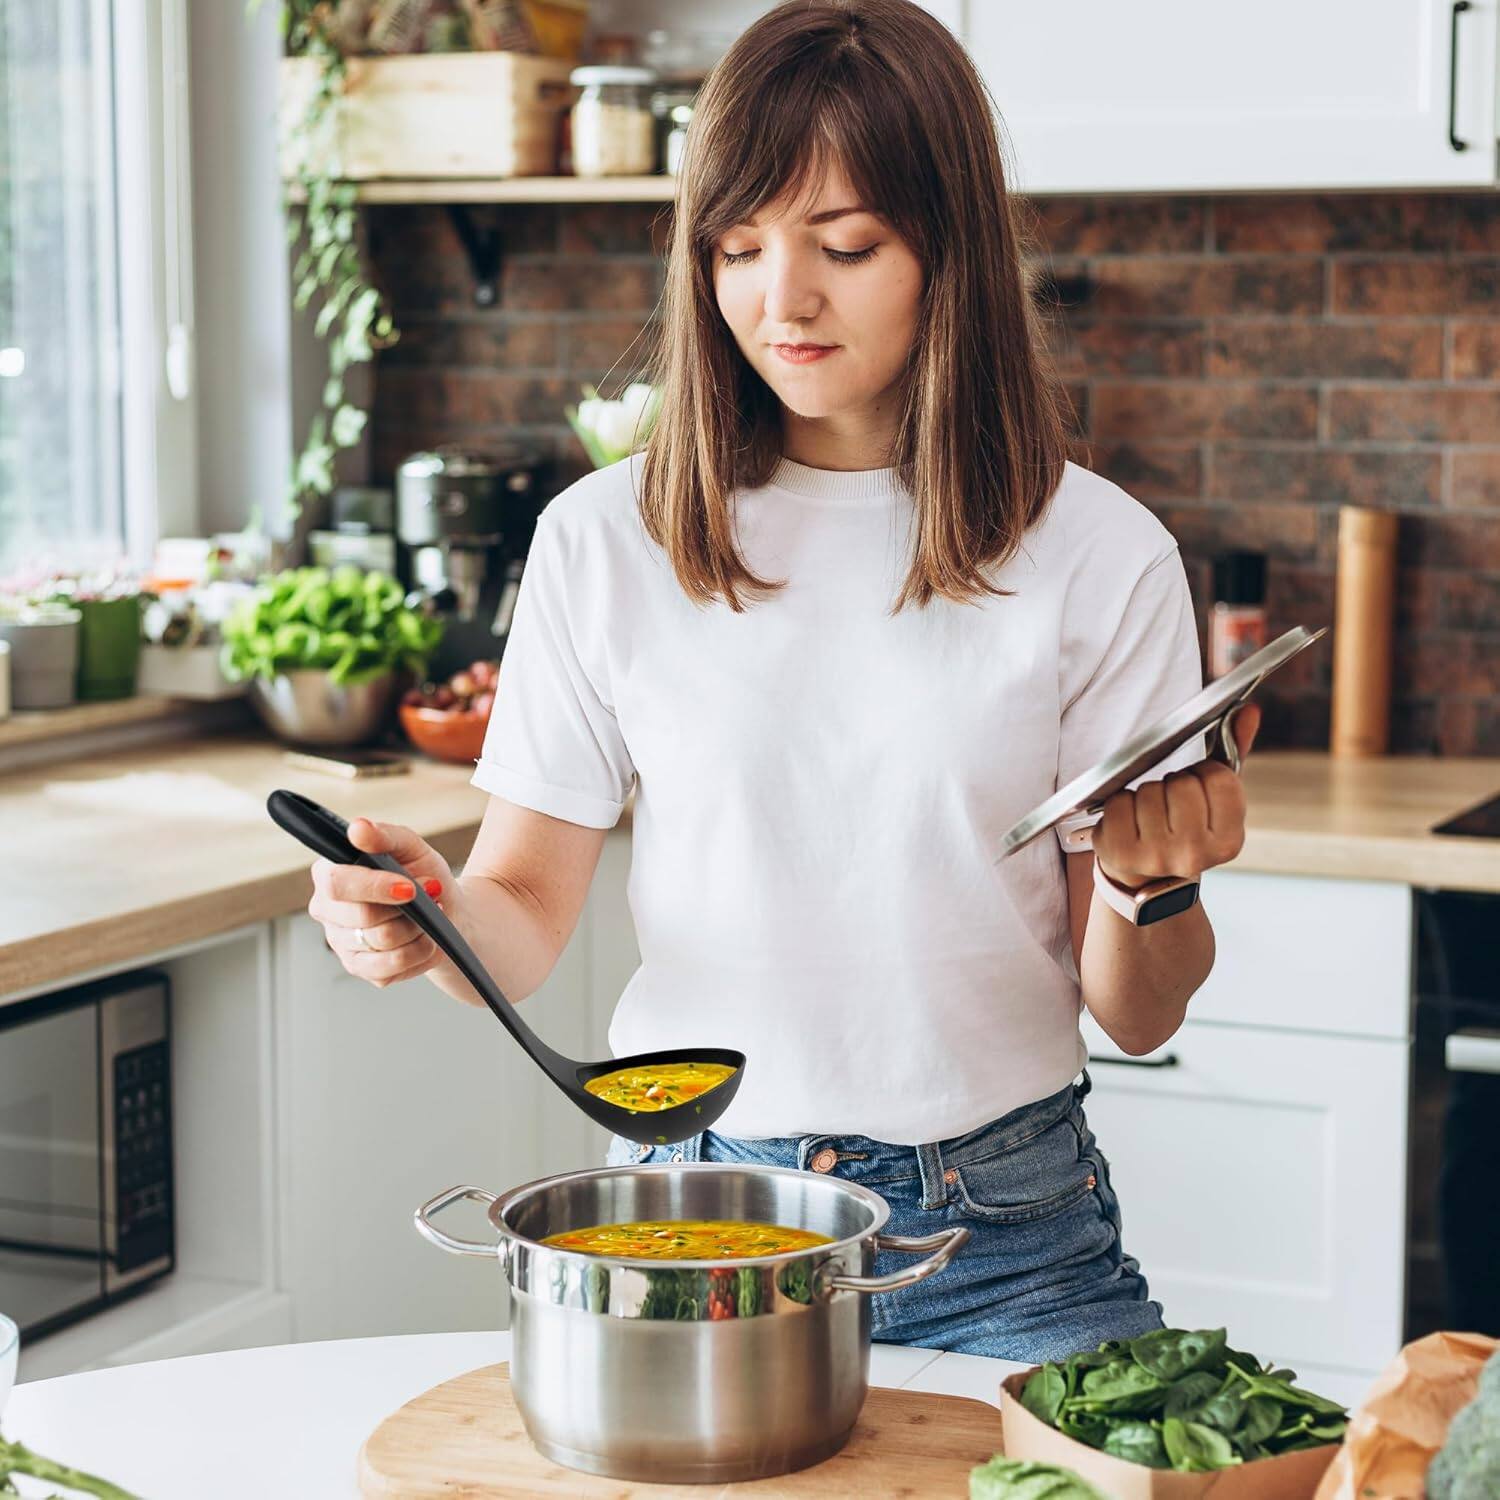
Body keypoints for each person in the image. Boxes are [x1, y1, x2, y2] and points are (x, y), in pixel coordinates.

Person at [305, 0, 1261, 1361]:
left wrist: (1151, 880)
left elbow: (1139, 1004)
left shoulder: (1097, 553)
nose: (780, 301)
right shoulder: (605, 540)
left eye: (846, 245)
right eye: (738, 247)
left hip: (1007, 1236)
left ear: (950, 249)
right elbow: (520, 910)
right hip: (701, 1219)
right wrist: (427, 914)